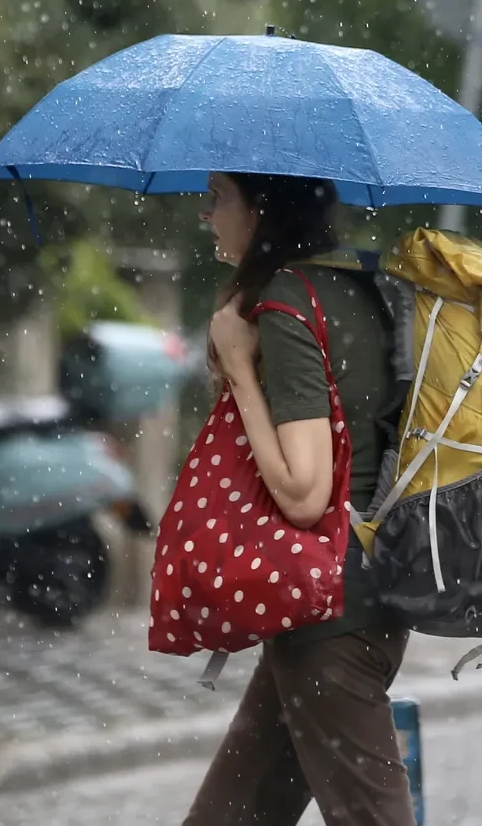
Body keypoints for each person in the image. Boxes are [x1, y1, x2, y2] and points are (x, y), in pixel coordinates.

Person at [183, 171, 416, 826]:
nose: (206, 214)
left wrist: (237, 365)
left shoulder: (290, 300)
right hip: (360, 597)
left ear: (261, 209)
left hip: (329, 624)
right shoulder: (364, 283)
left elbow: (306, 489)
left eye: (217, 197)